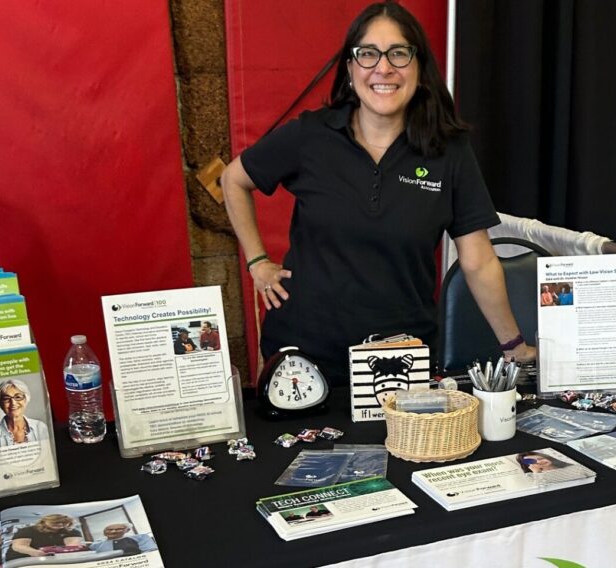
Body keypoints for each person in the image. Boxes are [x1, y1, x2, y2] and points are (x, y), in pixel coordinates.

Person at [221, 2, 534, 384]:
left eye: (399, 54)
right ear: (351, 68)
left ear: (419, 70)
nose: (383, 68)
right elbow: (233, 180)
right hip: (304, 356)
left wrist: (513, 344)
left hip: (402, 360)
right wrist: (257, 262)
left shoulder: (448, 151)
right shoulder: (310, 136)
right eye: (368, 54)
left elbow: (479, 261)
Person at [5, 514, 83, 560]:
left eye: (63, 523)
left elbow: (72, 546)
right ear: (44, 522)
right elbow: (18, 546)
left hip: (55, 558)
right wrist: (36, 552)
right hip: (22, 558)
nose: (60, 524)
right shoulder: (27, 530)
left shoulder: (72, 531)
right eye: (55, 522)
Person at [0, 379, 49, 446]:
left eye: (18, 397)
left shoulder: (40, 427)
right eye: (6, 398)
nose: (13, 403)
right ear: (0, 403)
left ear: (26, 400)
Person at [90, 524, 157, 555]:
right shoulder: (97, 542)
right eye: (109, 529)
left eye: (118, 529)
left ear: (127, 530)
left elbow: (151, 552)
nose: (113, 531)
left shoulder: (141, 537)